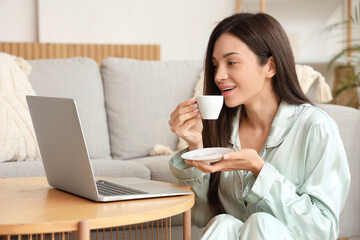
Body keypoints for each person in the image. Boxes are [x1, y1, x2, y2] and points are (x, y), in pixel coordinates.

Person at [168, 12, 350, 240]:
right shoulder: (221, 126)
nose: (219, 76)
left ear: (270, 66)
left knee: (262, 223)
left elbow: (323, 228)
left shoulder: (316, 128)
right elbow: (201, 216)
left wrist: (261, 172)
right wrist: (196, 145)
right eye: (215, 65)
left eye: (231, 62)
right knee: (222, 222)